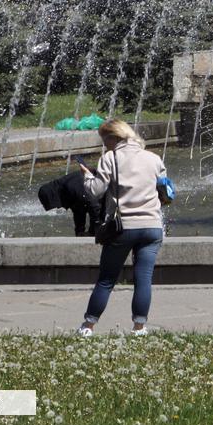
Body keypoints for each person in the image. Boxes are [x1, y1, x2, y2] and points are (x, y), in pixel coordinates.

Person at [77, 119, 166, 336]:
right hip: (152, 226)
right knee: (143, 279)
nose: (104, 144)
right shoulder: (154, 159)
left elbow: (96, 191)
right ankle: (139, 327)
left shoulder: (111, 158)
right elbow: (164, 191)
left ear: (114, 137)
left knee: (107, 279)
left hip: (123, 227)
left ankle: (88, 327)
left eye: (105, 139)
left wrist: (87, 177)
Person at [37, 169, 101, 236]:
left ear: (53, 198)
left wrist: (92, 232)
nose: (58, 207)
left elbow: (95, 207)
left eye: (55, 205)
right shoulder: (65, 191)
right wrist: (79, 232)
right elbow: (79, 210)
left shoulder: (71, 186)